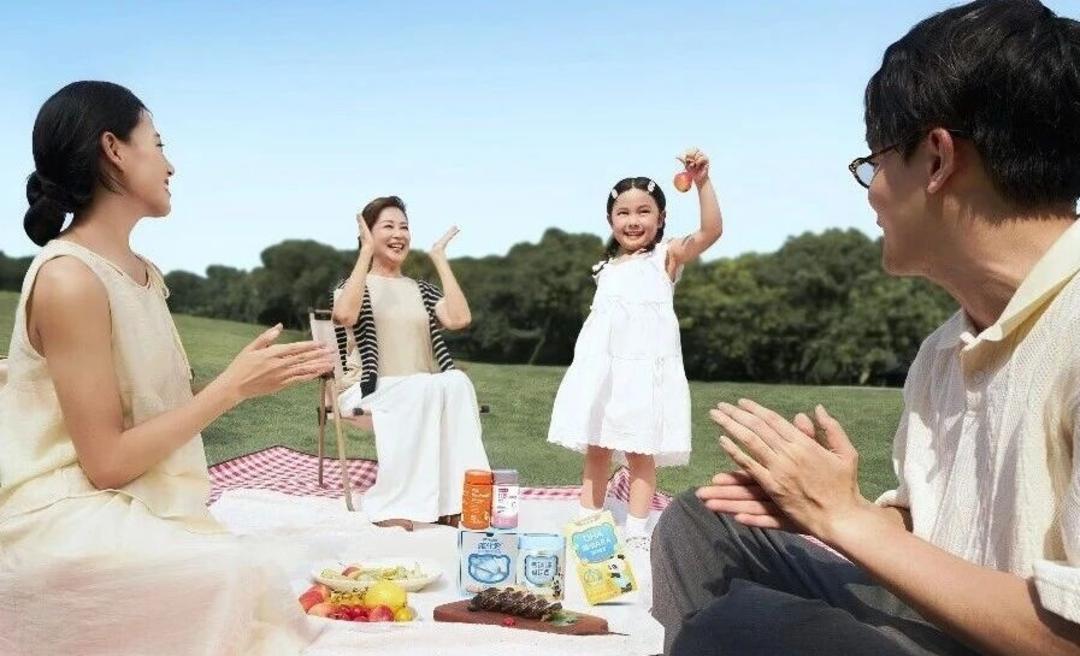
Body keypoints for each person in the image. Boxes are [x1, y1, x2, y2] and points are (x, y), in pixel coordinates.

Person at [651, 2, 1080, 654]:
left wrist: (845, 518)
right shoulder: (944, 350)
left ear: (936, 159)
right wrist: (820, 505)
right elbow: (927, 528)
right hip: (949, 622)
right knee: (703, 524)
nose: (873, 192)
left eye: (873, 163)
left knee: (744, 627)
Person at [0, 81, 335, 654]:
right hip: (59, 512)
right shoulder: (69, 278)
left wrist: (244, 380)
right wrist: (230, 390)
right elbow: (106, 463)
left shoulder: (140, 273)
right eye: (157, 143)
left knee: (257, 580)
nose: (170, 164)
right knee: (237, 575)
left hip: (132, 499)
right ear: (114, 149)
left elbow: (148, 406)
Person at [548, 149, 723, 551]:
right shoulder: (605, 269)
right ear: (610, 220)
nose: (633, 220)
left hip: (644, 374)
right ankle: (588, 519)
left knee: (640, 452)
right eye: (623, 212)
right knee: (597, 447)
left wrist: (702, 183)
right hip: (604, 374)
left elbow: (711, 231)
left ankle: (638, 530)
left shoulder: (666, 257)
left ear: (661, 218)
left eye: (644, 211)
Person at [332, 195, 490, 531]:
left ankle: (456, 503)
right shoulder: (354, 286)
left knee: (457, 381)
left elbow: (460, 318)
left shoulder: (421, 290)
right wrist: (364, 253)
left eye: (403, 227)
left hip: (420, 391)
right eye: (388, 226)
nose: (398, 234)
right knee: (421, 388)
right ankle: (392, 503)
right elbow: (343, 315)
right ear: (368, 234)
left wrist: (439, 259)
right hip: (366, 390)